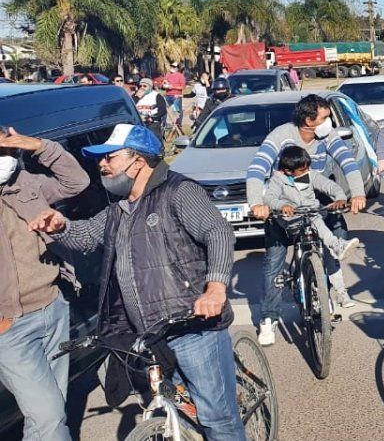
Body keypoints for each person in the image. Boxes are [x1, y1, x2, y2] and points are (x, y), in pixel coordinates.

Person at [29, 124, 244, 441]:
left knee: (218, 421)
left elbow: (219, 233)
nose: (102, 166)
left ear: (138, 161)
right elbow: (87, 235)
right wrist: (60, 226)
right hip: (151, 333)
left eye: (109, 158)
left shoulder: (178, 192)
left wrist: (215, 288)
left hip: (192, 326)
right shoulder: (118, 210)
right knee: (184, 406)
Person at [247, 94, 367, 343]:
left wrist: (356, 194)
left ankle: (326, 285)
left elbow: (347, 162)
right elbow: (257, 169)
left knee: (338, 229)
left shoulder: (327, 136)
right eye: (324, 117)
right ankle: (268, 318)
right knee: (274, 262)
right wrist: (257, 203)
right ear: (308, 120)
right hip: (283, 200)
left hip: (313, 196)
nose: (329, 121)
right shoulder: (281, 136)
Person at [0, 127, 89, 441]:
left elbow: (77, 181)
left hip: (53, 308)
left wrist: (38, 146)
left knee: (46, 419)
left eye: (7, 151)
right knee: (49, 416)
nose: (4, 159)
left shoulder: (25, 184)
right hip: (10, 327)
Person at [262, 145, 361, 268]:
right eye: (302, 170)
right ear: (288, 171)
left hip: (311, 213)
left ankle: (334, 251)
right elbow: (269, 197)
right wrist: (282, 205)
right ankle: (335, 246)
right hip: (290, 219)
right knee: (316, 223)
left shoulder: (310, 175)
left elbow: (330, 186)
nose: (307, 171)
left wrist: (340, 197)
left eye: (308, 168)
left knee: (317, 220)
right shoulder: (277, 180)